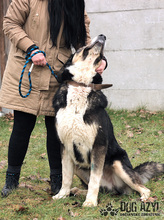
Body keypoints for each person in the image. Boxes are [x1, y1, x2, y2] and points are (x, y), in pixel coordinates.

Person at [0, 0, 107, 197]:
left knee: (55, 130)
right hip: (27, 71)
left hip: (56, 74)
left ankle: (57, 183)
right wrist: (31, 48)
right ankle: (11, 182)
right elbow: (10, 23)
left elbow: (82, 41)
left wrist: (98, 60)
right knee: (22, 126)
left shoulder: (75, 4)